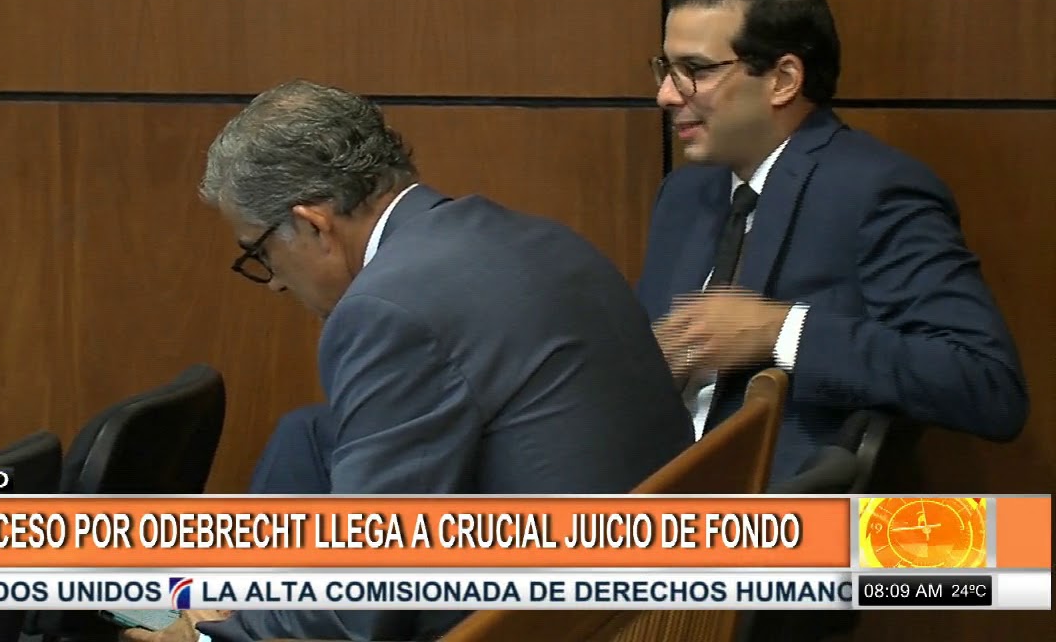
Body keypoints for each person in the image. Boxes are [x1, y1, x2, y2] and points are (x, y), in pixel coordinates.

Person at [124, 80, 693, 642]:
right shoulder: (531, 237)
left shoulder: (388, 308)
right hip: (646, 579)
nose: (272, 282)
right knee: (308, 437)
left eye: (260, 252)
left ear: (315, 224)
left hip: (551, 617)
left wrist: (221, 631)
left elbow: (364, 606)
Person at [638, 0, 1030, 640]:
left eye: (695, 70)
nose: (668, 95)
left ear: (783, 79)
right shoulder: (686, 192)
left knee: (1009, 553)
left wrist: (781, 331)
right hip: (648, 515)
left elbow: (988, 386)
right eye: (664, 69)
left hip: (788, 545)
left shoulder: (877, 189)